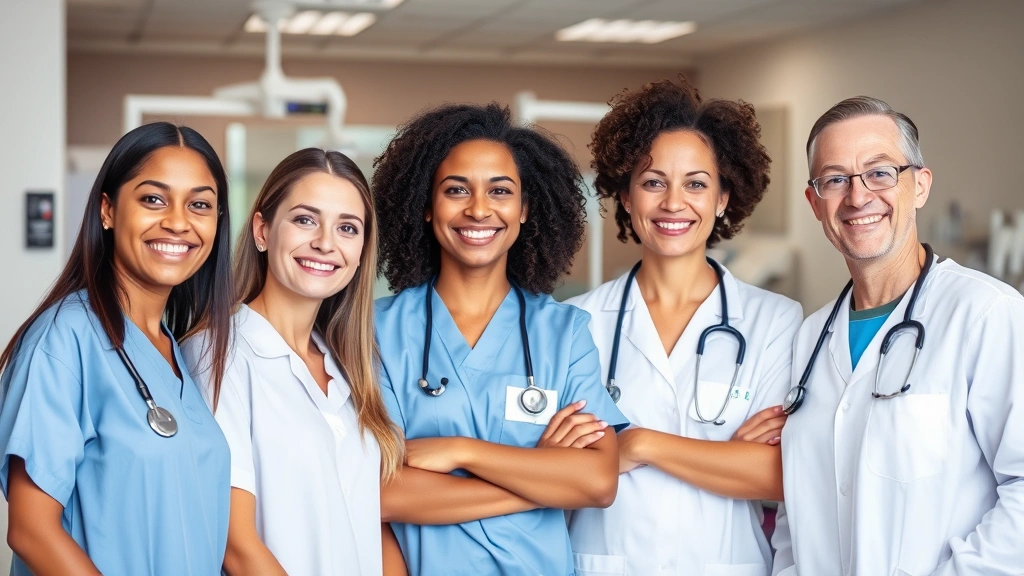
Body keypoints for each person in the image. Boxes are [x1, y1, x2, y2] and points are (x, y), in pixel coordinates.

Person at [372, 102, 629, 576]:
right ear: (426, 207)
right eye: (455, 190)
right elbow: (383, 492)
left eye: (500, 191)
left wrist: (460, 451)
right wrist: (542, 475)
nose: (478, 209)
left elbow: (597, 482)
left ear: (525, 208)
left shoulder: (564, 333)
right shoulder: (378, 333)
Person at [771, 96, 1024, 575]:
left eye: (880, 172)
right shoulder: (810, 338)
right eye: (835, 179)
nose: (858, 196)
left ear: (921, 185)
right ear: (815, 202)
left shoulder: (986, 315)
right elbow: (796, 510)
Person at [564, 76, 801, 576]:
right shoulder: (576, 322)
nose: (674, 203)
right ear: (626, 197)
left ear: (722, 199)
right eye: (653, 182)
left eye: (696, 183)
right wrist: (723, 458)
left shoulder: (773, 321)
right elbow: (563, 469)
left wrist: (638, 444)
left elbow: (778, 475)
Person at [0, 122, 233, 575]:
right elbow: (31, 529)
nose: (179, 221)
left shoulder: (178, 351)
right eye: (153, 199)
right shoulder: (64, 339)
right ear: (107, 210)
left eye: (199, 204)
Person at [182, 149, 404, 575]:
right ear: (263, 231)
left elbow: (370, 519)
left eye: (347, 228)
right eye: (305, 219)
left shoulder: (349, 366)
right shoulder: (219, 352)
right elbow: (235, 544)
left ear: (361, 252)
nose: (325, 242)